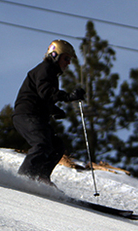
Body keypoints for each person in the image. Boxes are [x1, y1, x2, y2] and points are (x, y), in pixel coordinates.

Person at [12, 40, 85, 185]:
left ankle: (41, 177)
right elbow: (45, 92)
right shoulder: (46, 69)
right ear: (55, 55)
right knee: (42, 144)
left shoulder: (51, 72)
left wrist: (54, 110)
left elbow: (43, 97)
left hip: (35, 115)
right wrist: (68, 97)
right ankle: (23, 178)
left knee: (57, 146)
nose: (68, 63)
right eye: (66, 58)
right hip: (27, 115)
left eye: (70, 60)